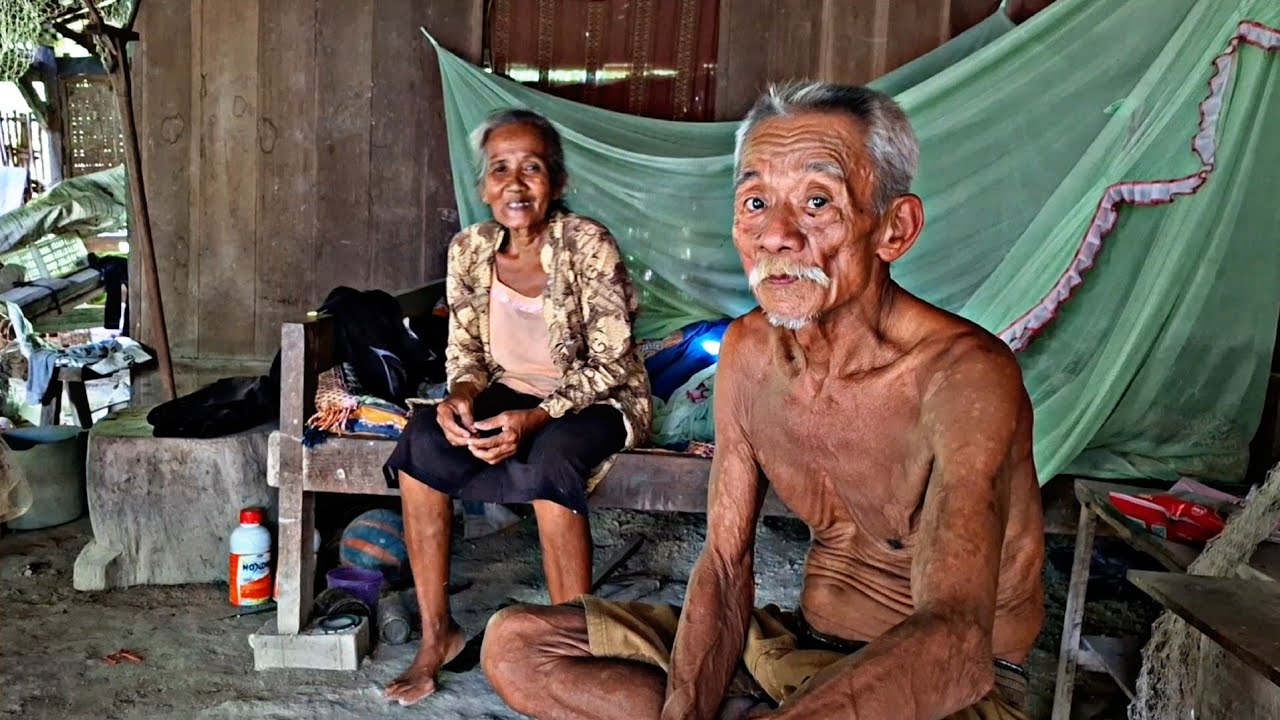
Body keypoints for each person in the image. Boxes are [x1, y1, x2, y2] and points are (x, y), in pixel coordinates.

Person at [480, 82, 1045, 720]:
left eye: (816, 201)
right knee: (518, 645)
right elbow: (723, 565)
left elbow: (956, 647)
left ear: (895, 228)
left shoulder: (963, 377)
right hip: (795, 650)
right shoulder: (750, 352)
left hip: (944, 690)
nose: (776, 234)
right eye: (755, 202)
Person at [382, 108, 652, 706]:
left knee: (548, 459)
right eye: (500, 169)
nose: (514, 183)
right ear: (484, 186)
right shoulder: (469, 250)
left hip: (598, 395)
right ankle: (437, 637)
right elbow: (467, 353)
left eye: (531, 168)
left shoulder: (587, 243)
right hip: (512, 390)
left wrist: (536, 417)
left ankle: (573, 654)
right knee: (423, 442)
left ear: (555, 184)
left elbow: (612, 359)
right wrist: (460, 397)